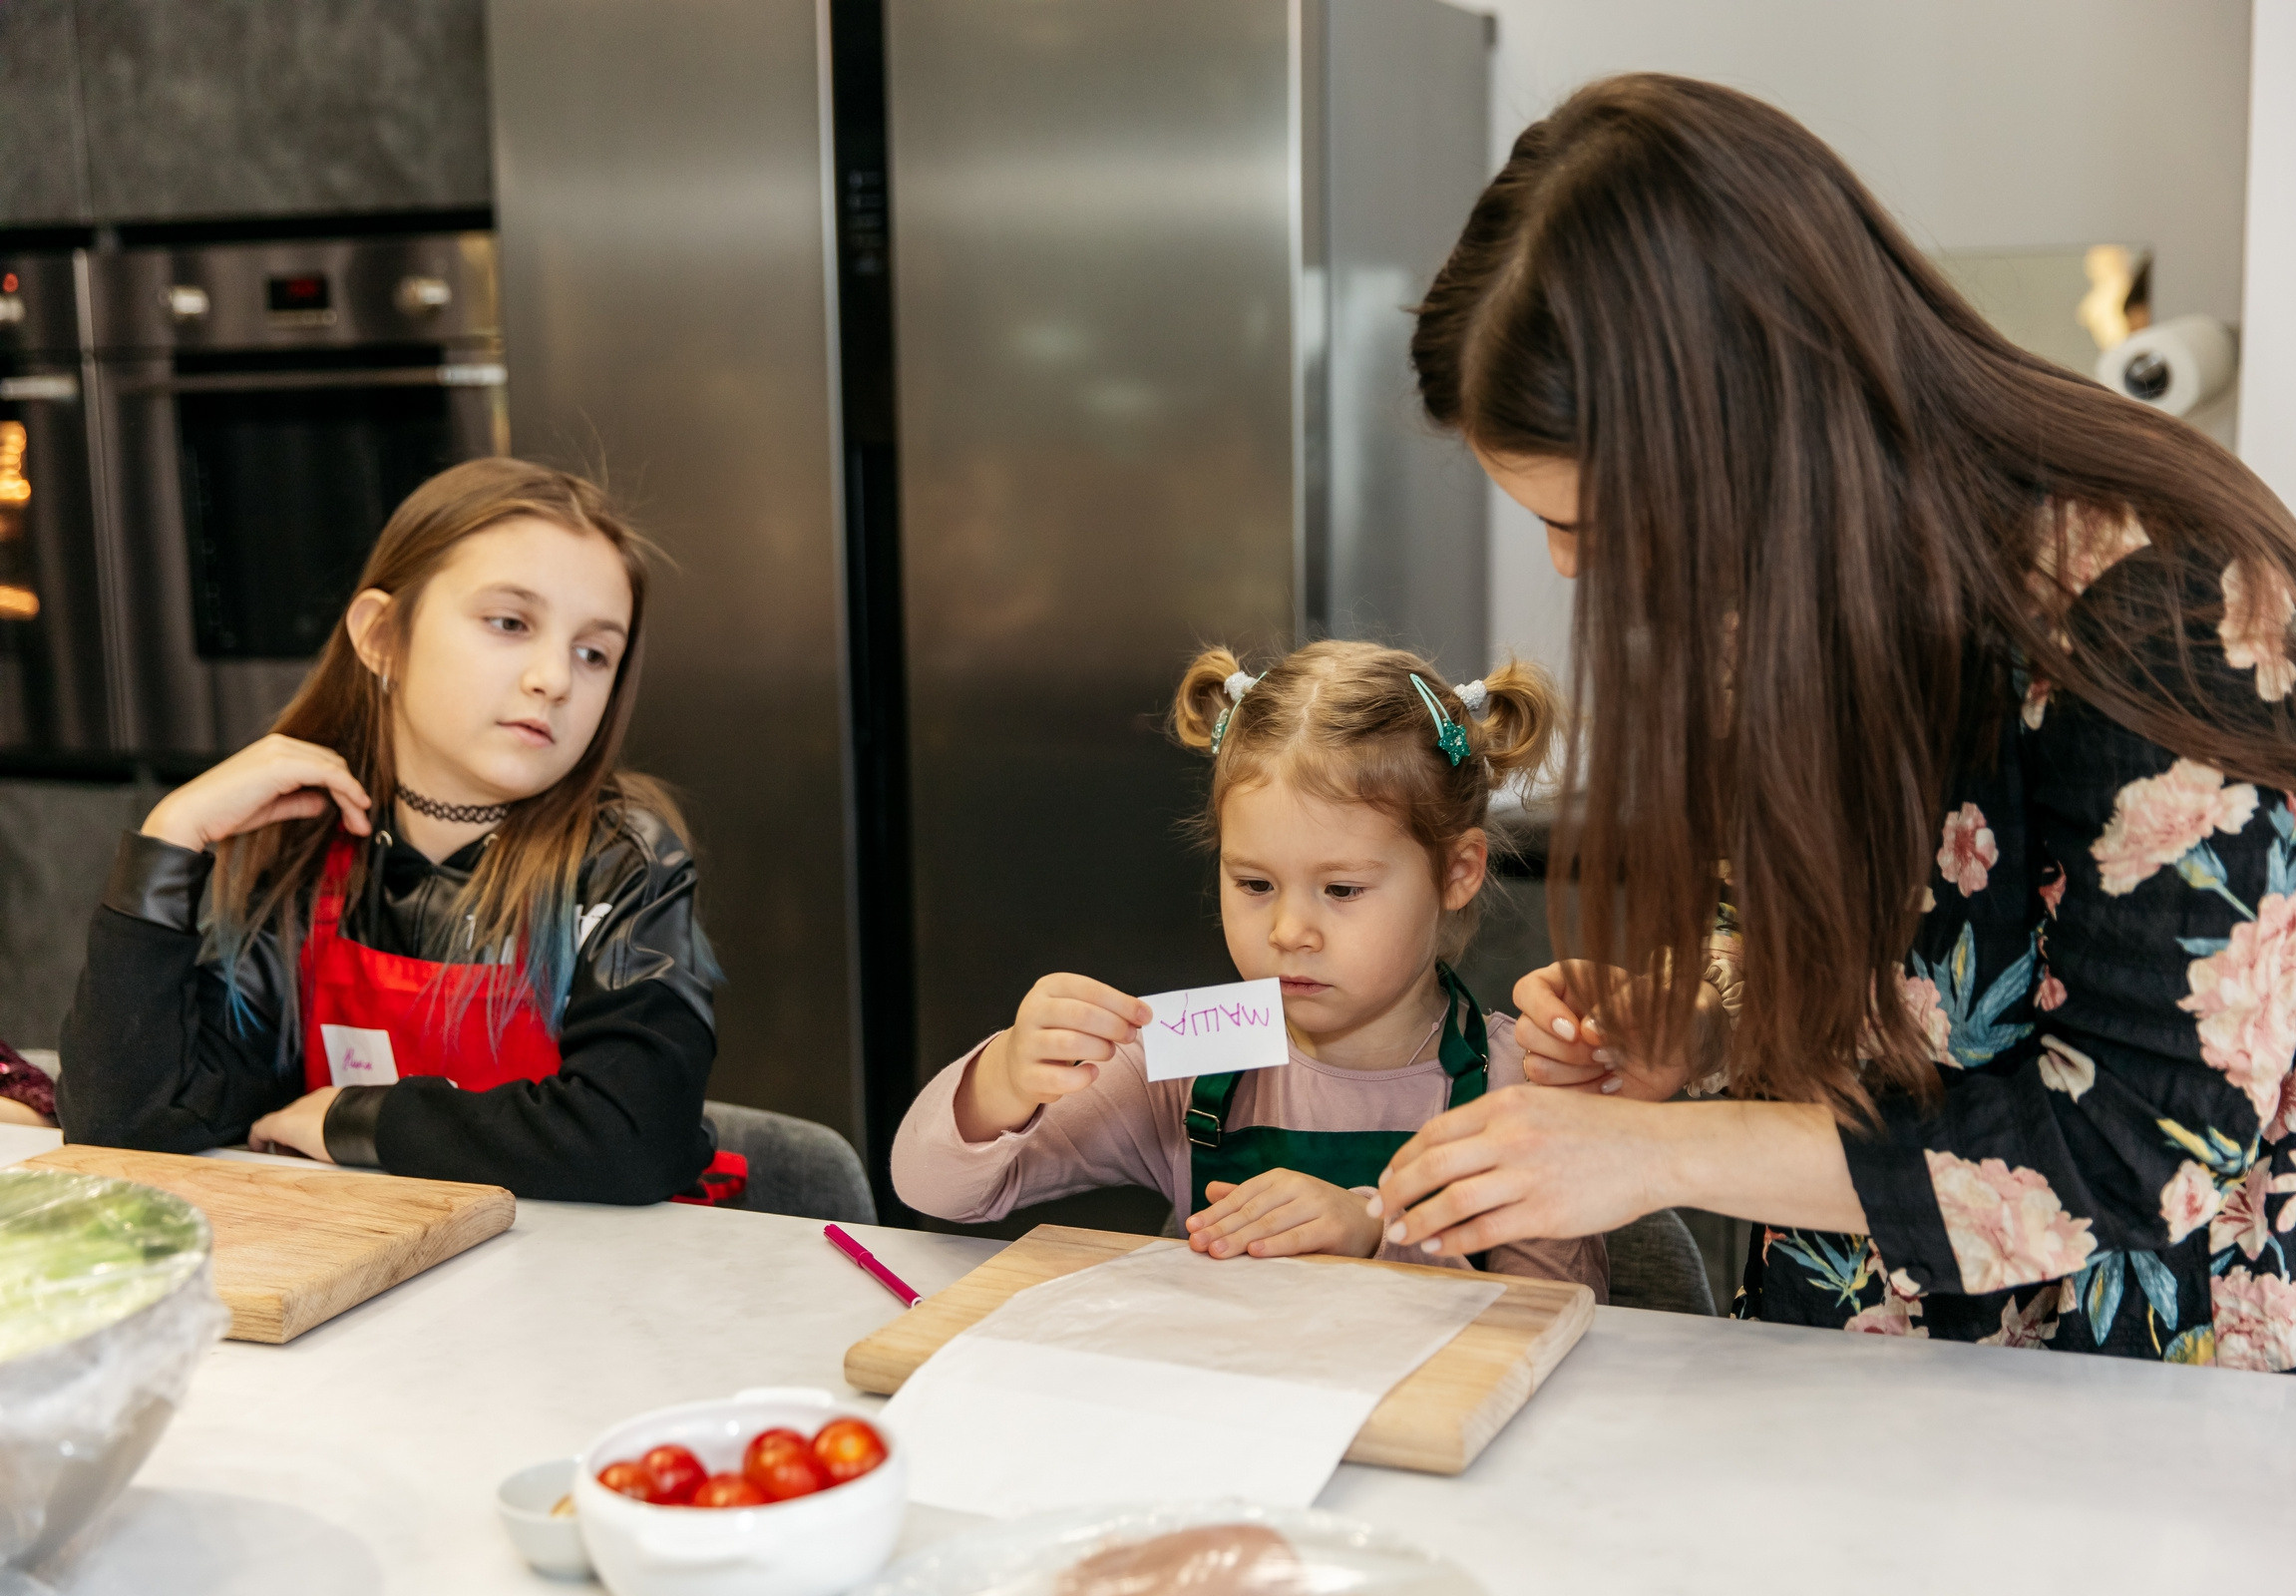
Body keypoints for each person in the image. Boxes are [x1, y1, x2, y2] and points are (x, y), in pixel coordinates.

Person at [1374, 73, 2296, 1377]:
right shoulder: (1772, 587)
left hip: (2163, 1379)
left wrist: (1653, 1153)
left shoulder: (2167, 603)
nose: (1580, 575)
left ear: (1760, 425)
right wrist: (1695, 1029)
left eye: (1601, 523)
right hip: (1859, 1354)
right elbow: (1883, 973)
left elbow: (2143, 1142)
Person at [57, 459, 733, 1205]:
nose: (555, 679)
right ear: (382, 637)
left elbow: (633, 1140)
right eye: (510, 623)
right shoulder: (306, 853)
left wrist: (362, 1121)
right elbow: (129, 1123)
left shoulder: (623, 862)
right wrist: (170, 838)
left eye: (593, 652)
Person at [892, 640, 1605, 1293]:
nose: (1290, 931)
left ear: (1457, 871)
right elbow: (930, 1187)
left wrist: (1378, 1235)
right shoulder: (1190, 1056)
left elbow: (1564, 1318)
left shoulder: (1518, 1089)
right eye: (1255, 885)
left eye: (1343, 890)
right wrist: (1005, 1077)